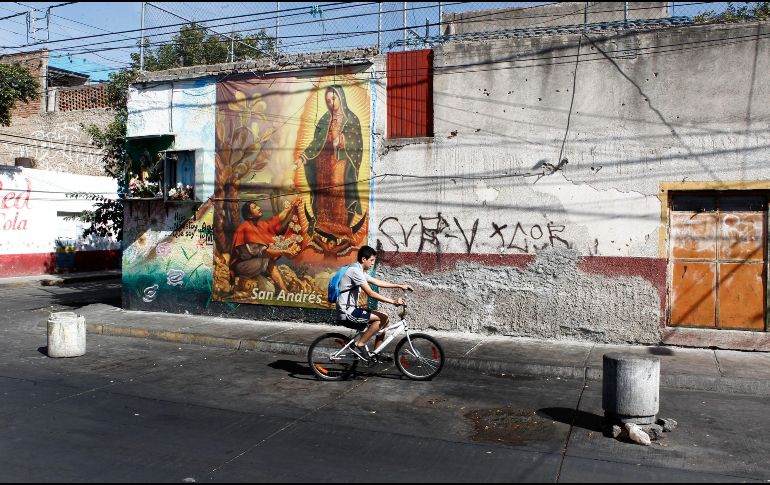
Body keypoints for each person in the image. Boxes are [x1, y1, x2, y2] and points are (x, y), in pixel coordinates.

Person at [295, 85, 364, 245]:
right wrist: (303, 158)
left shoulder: (351, 119)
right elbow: (316, 142)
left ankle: (341, 227)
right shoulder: (325, 119)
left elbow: (357, 143)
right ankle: (322, 224)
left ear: (341, 98)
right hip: (323, 165)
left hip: (340, 164)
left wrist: (344, 140)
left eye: (333, 99)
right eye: (328, 100)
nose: (331, 103)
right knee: (323, 196)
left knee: (338, 193)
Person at [336, 245, 413, 358]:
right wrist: (393, 301)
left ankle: (376, 352)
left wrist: (400, 285)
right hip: (347, 312)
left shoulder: (358, 270)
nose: (372, 263)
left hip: (352, 310)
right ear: (364, 259)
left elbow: (376, 282)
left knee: (385, 319)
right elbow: (371, 293)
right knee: (383, 317)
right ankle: (360, 344)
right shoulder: (355, 271)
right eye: (371, 260)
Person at [230, 198, 301, 292]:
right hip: (242, 267)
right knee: (267, 258)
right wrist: (284, 252)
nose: (259, 208)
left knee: (270, 288)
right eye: (255, 207)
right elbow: (264, 253)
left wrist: (291, 206)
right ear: (249, 215)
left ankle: (284, 290)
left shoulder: (261, 225)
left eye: (257, 206)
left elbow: (277, 220)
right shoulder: (246, 228)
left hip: (254, 264)